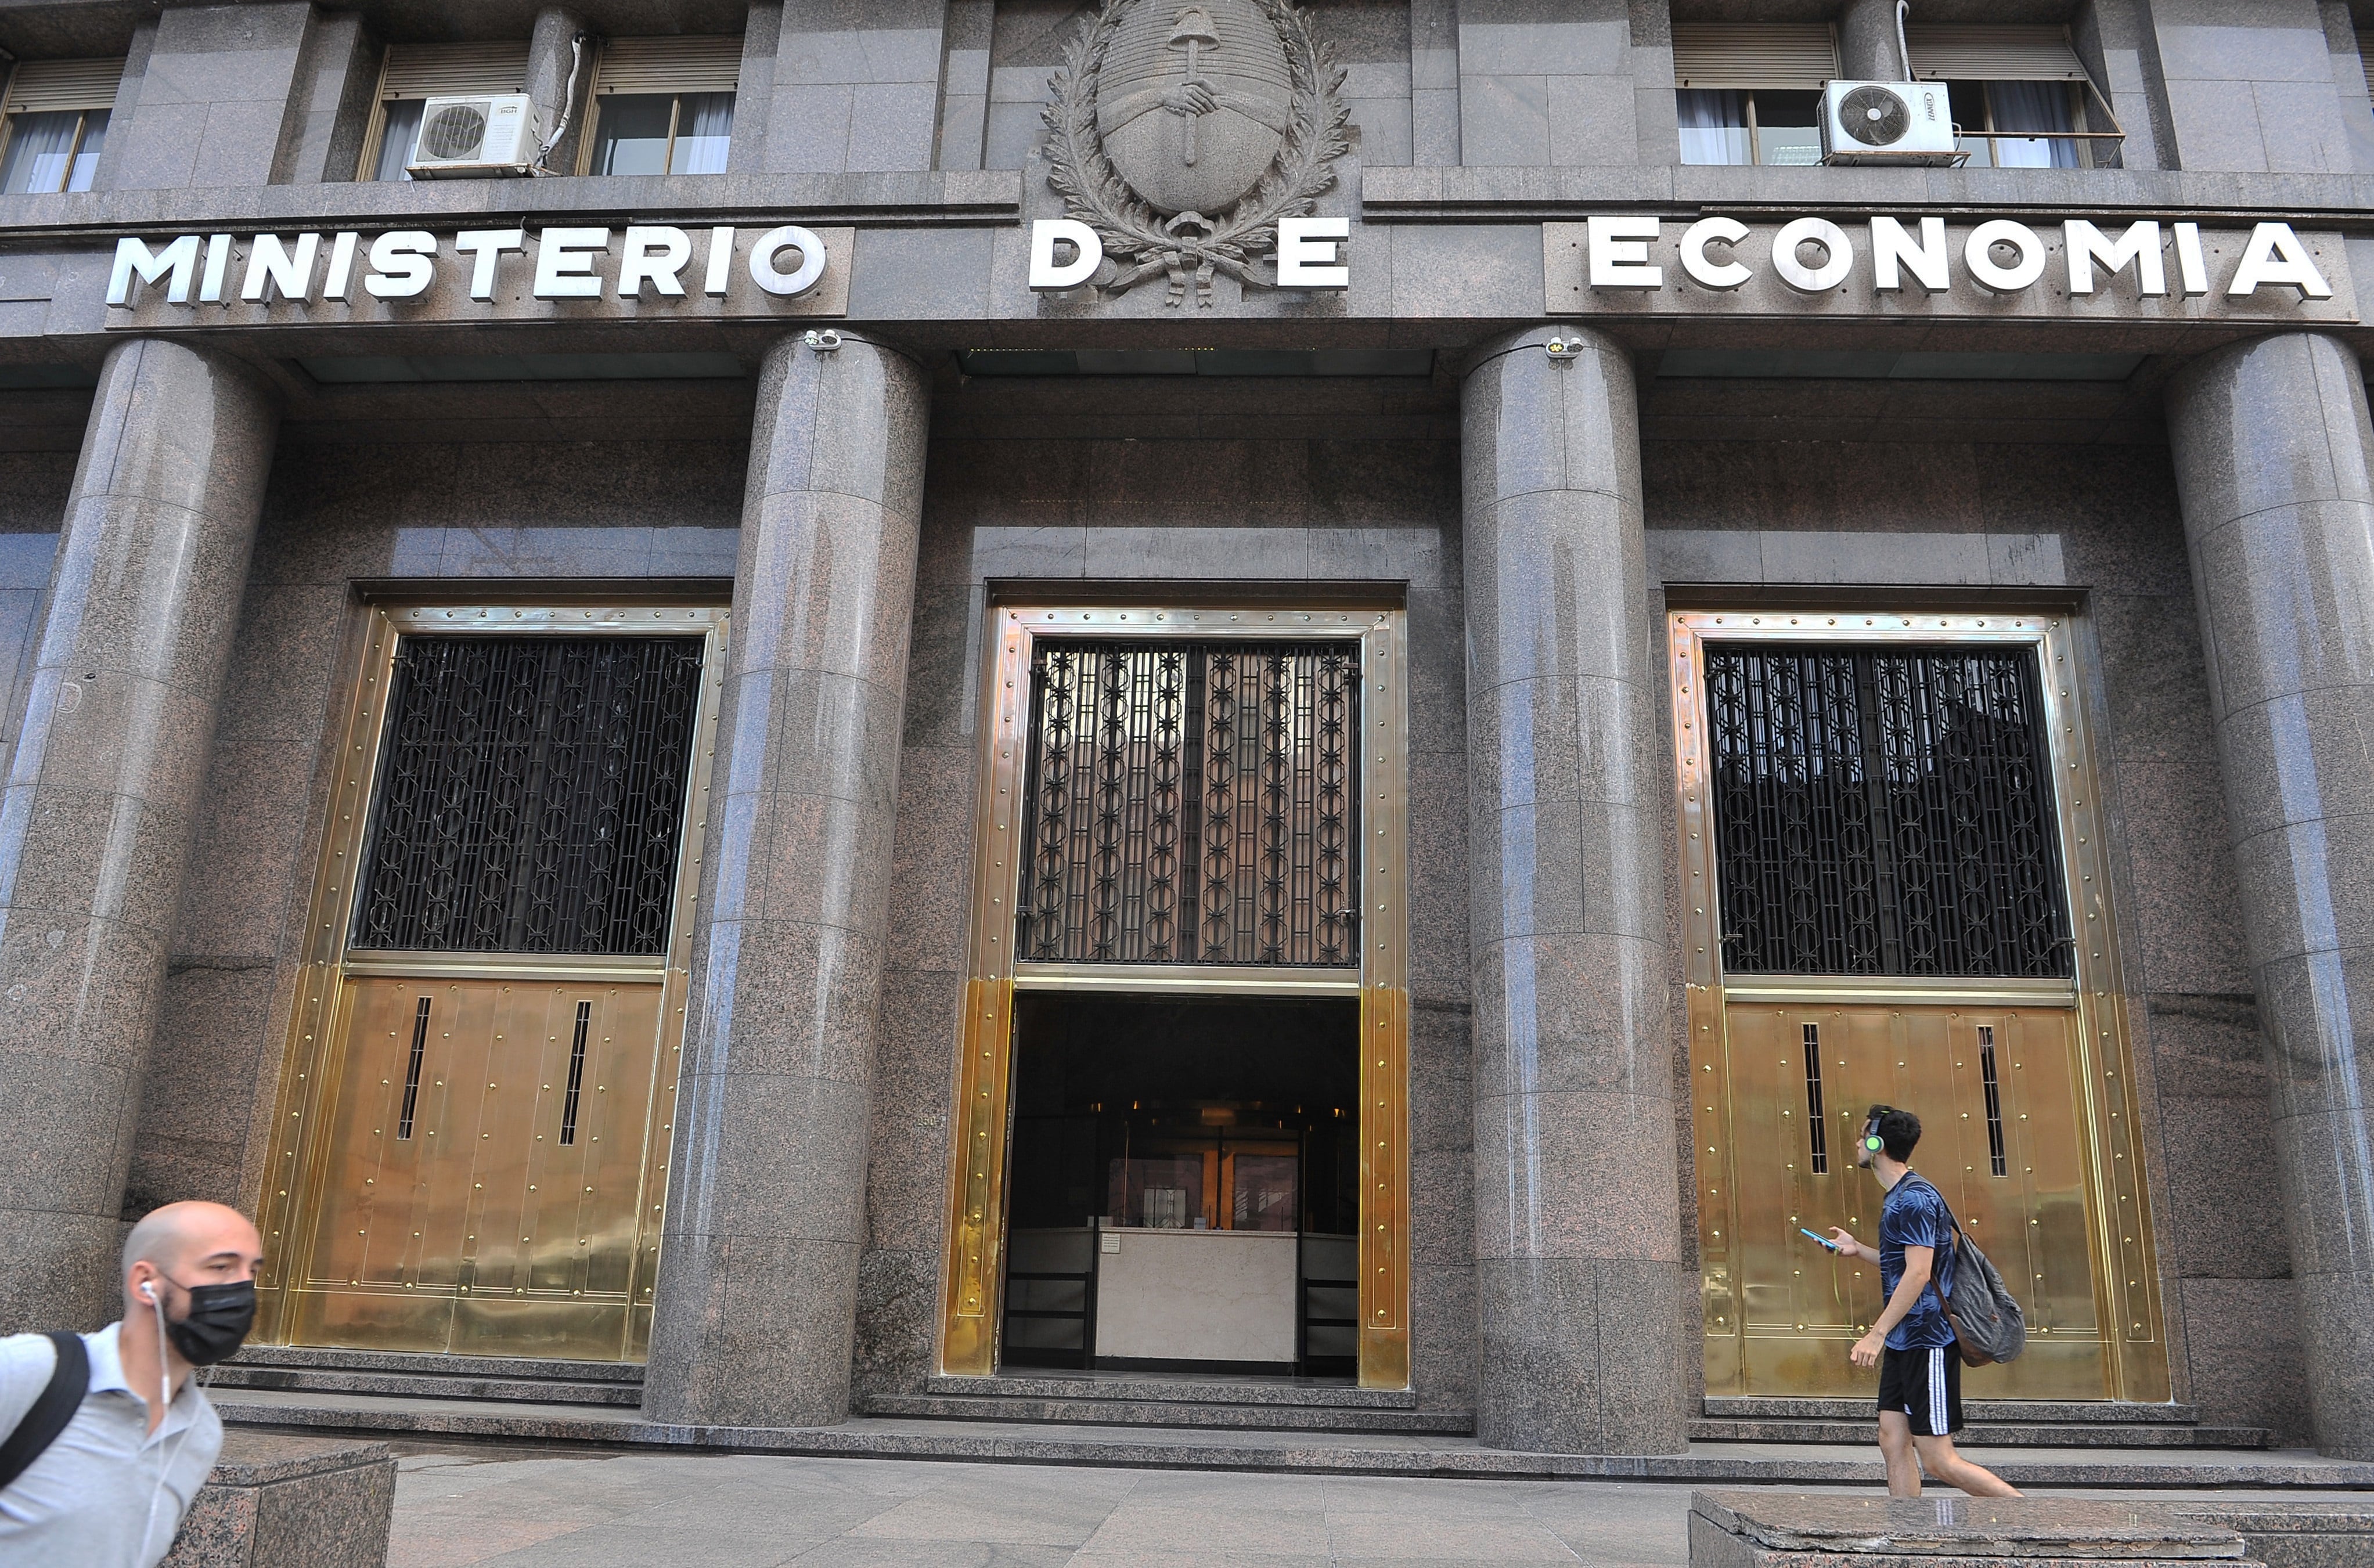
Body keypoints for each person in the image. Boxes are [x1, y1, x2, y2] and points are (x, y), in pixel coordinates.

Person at [0, 1201, 264, 1566]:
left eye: (251, 1271)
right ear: (146, 1283)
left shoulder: (200, 1432)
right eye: (220, 1267)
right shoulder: (28, 1371)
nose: (242, 1290)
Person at [1825, 1106, 2019, 1499]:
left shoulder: (1912, 1199)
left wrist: (1875, 1334)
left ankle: (2031, 1520)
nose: (1858, 1143)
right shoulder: (1903, 1196)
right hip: (1905, 1338)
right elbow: (1909, 1263)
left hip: (1926, 1338)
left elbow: (1918, 1273)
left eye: (1864, 1136)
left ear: (1878, 1143)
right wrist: (1857, 1249)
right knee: (1892, 1439)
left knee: (1937, 1459)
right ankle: (1906, 1532)